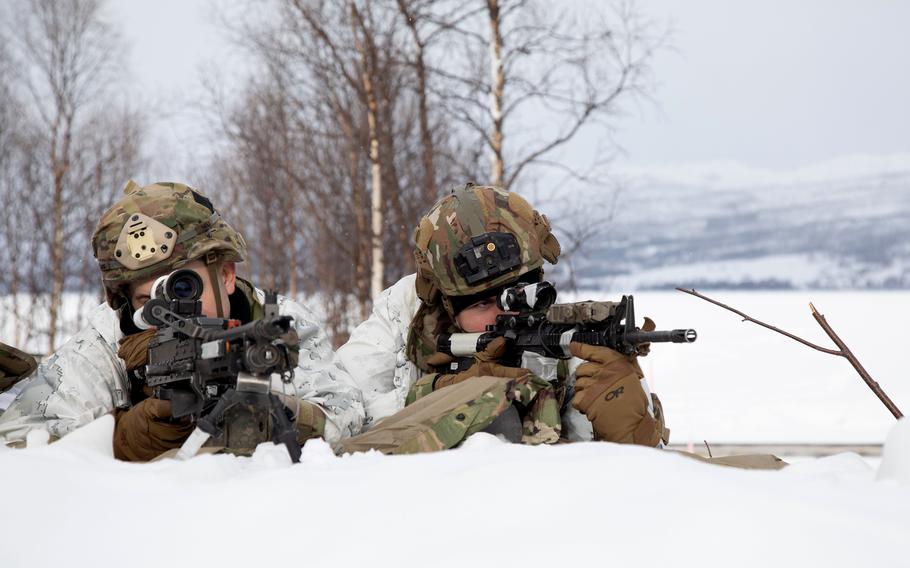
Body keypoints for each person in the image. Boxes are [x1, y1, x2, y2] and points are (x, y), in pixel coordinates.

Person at [0, 181, 364, 460]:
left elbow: (345, 415)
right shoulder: (106, 342)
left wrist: (266, 414)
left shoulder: (273, 320)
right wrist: (126, 435)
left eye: (184, 288)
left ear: (225, 275)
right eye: (146, 300)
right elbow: (20, 445)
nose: (170, 310)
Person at [337, 183, 668, 453]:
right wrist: (445, 397)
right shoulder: (401, 325)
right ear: (447, 306)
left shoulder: (573, 347)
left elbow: (629, 491)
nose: (506, 316)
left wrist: (630, 436)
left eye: (521, 296)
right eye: (482, 305)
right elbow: (342, 433)